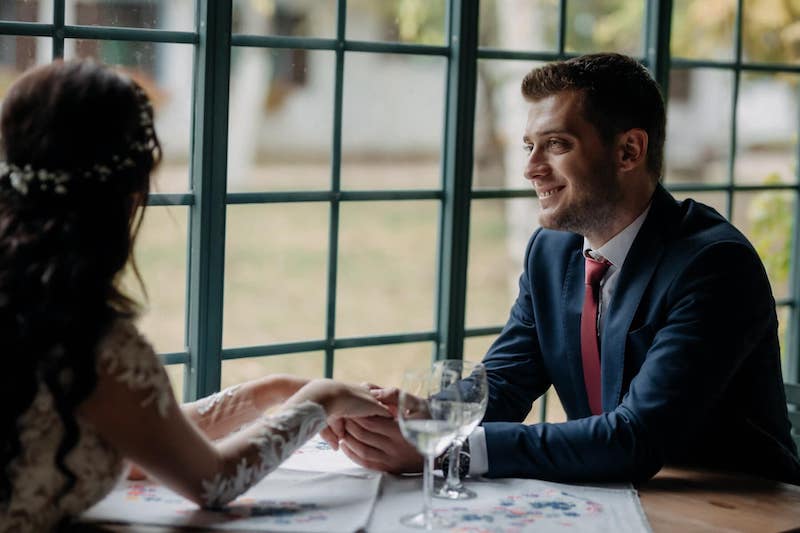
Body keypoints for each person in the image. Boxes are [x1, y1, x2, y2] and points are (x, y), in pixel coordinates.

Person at [327, 53, 800, 485]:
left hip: (739, 508)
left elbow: (637, 438)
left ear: (629, 151)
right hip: (622, 494)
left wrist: (454, 450)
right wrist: (424, 417)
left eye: (556, 144)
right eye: (529, 145)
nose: (531, 168)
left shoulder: (714, 266)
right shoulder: (550, 252)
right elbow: (508, 380)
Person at [0, 59, 389, 532]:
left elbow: (146, 432)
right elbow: (212, 481)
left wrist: (268, 392)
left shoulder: (26, 301)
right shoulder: (94, 342)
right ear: (128, 193)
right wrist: (322, 399)